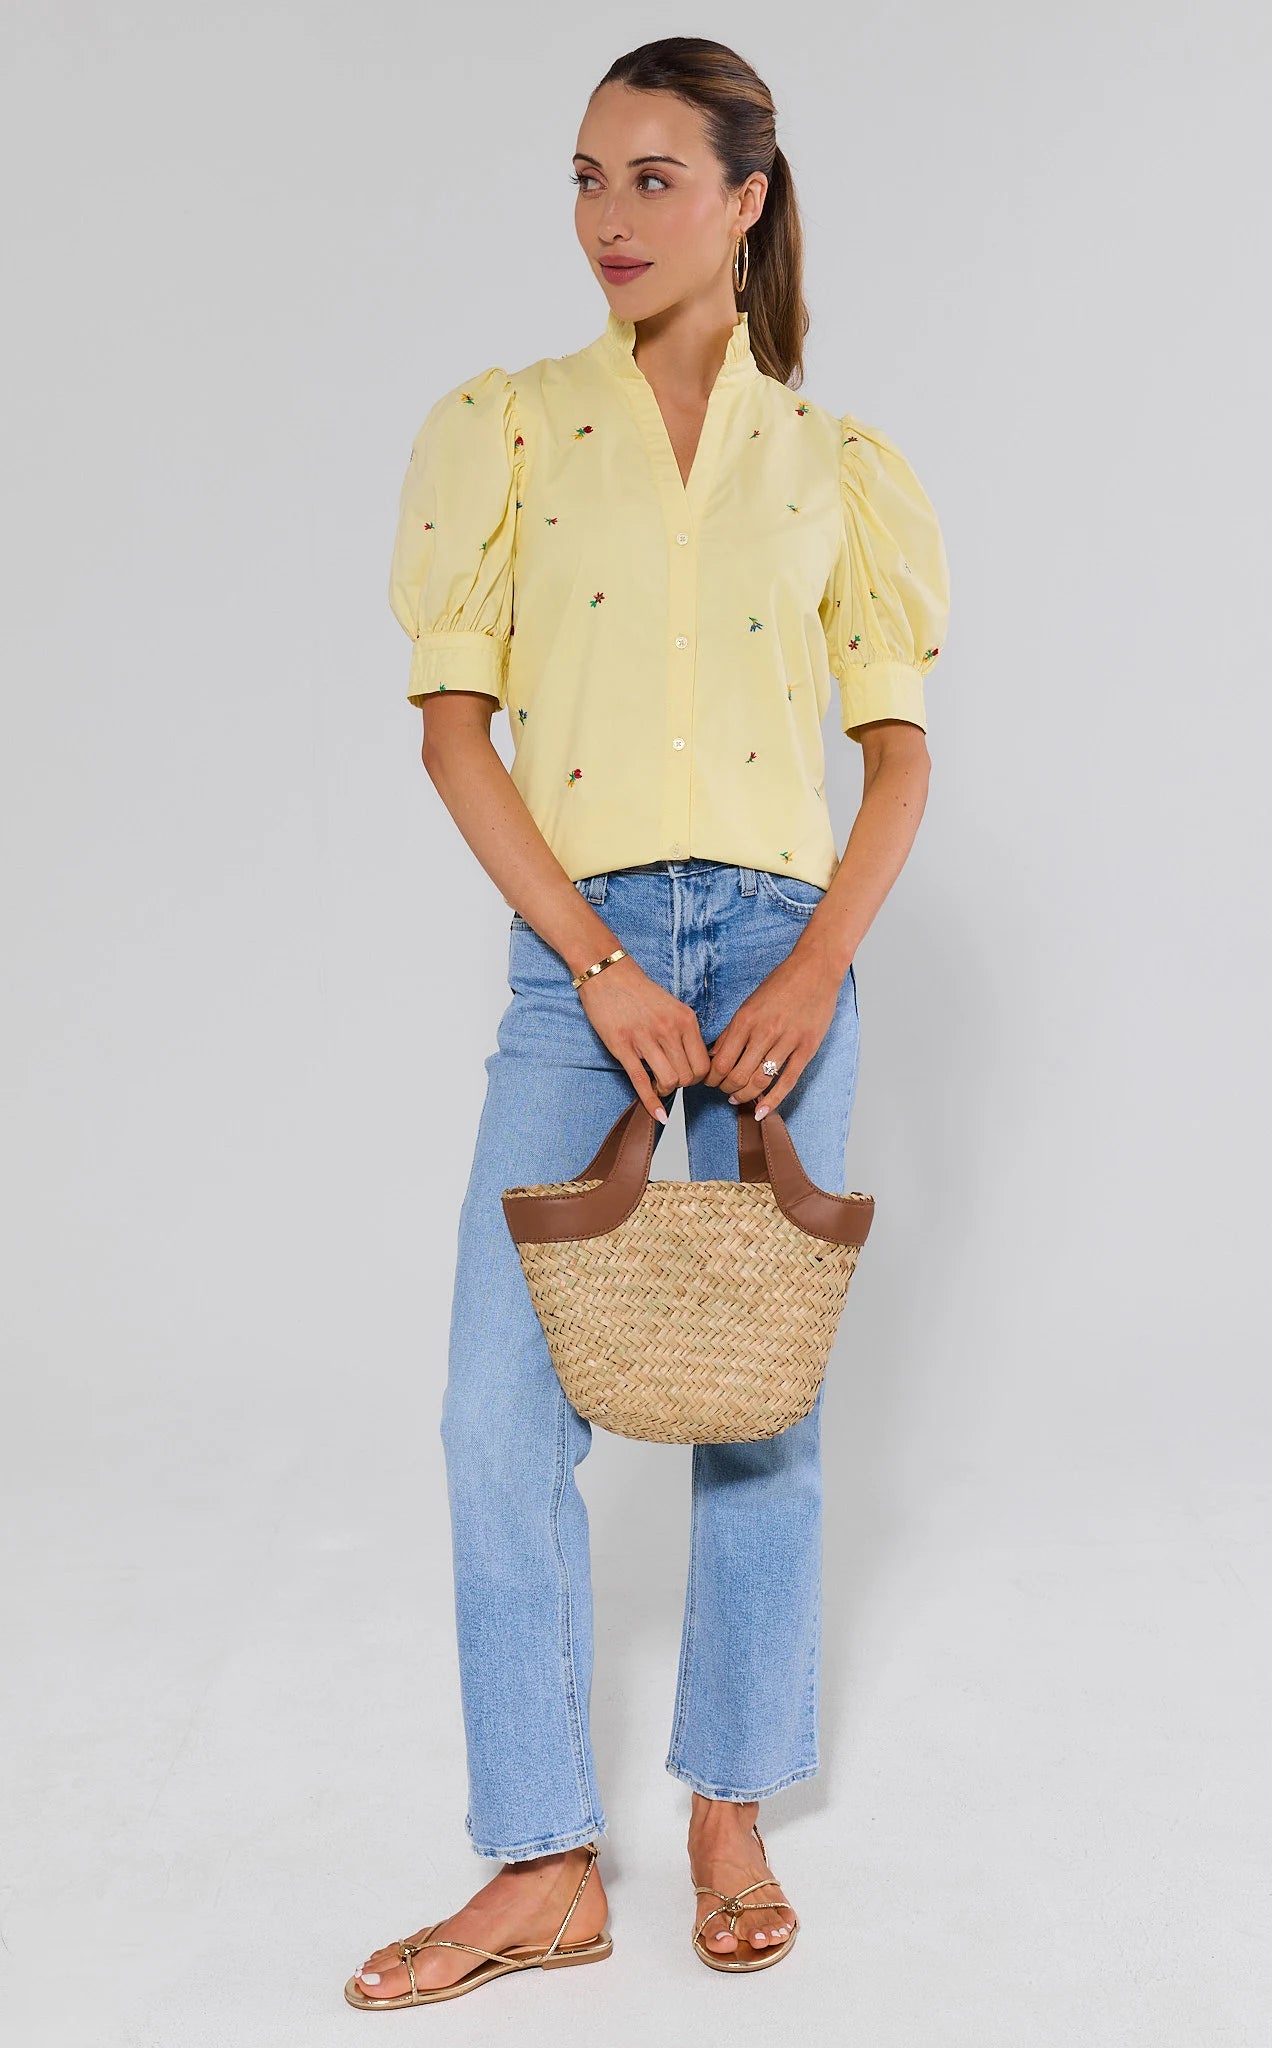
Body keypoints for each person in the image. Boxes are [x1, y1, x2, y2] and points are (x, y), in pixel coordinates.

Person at [345, 33, 950, 2009]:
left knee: (755, 1404)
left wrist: (805, 971)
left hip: (783, 950)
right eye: (587, 179)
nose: (610, 218)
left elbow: (896, 765)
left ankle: (725, 1807)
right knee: (488, 1412)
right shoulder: (505, 431)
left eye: (653, 178)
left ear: (746, 197)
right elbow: (454, 735)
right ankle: (537, 1859)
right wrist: (596, 966)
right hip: (574, 952)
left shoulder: (838, 468)